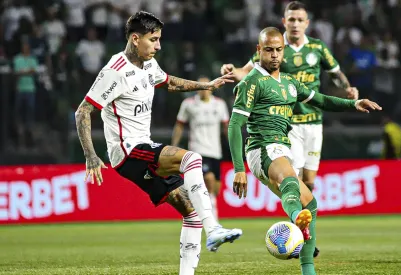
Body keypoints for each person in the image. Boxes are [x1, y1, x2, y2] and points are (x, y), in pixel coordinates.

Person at [74, 11, 241, 275]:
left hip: (143, 148)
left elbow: (169, 82)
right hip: (127, 151)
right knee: (192, 159)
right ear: (135, 38)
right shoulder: (115, 72)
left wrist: (205, 87)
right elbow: (83, 110)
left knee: (190, 212)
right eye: (153, 40)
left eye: (160, 39)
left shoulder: (149, 65)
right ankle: (215, 229)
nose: (159, 46)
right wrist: (90, 155)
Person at [228, 27, 381, 275]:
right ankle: (296, 216)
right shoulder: (252, 82)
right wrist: (238, 169)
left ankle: (308, 269)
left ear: (284, 51)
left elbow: (321, 100)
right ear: (259, 51)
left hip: (280, 147)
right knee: (290, 180)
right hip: (261, 147)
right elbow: (235, 125)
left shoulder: (289, 83)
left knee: (310, 202)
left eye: (278, 50)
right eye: (268, 50)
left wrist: (353, 103)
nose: (274, 55)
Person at [221, 1, 358, 193]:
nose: (295, 24)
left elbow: (336, 73)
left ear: (307, 23)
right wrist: (233, 71)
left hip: (314, 121)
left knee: (309, 182)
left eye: (300, 20)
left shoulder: (317, 48)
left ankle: (302, 220)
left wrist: (348, 88)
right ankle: (296, 218)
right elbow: (246, 71)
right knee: (293, 179)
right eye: (291, 19)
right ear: (284, 21)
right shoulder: (274, 46)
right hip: (288, 123)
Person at [172, 76, 230, 220]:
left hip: (215, 151)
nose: (204, 90)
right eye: (201, 87)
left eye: (207, 86)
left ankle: (202, 210)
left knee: (215, 189)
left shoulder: (220, 104)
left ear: (211, 88)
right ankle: (212, 218)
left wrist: (233, 145)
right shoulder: (189, 104)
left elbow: (226, 127)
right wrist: (174, 146)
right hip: (198, 150)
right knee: (208, 178)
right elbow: (179, 125)